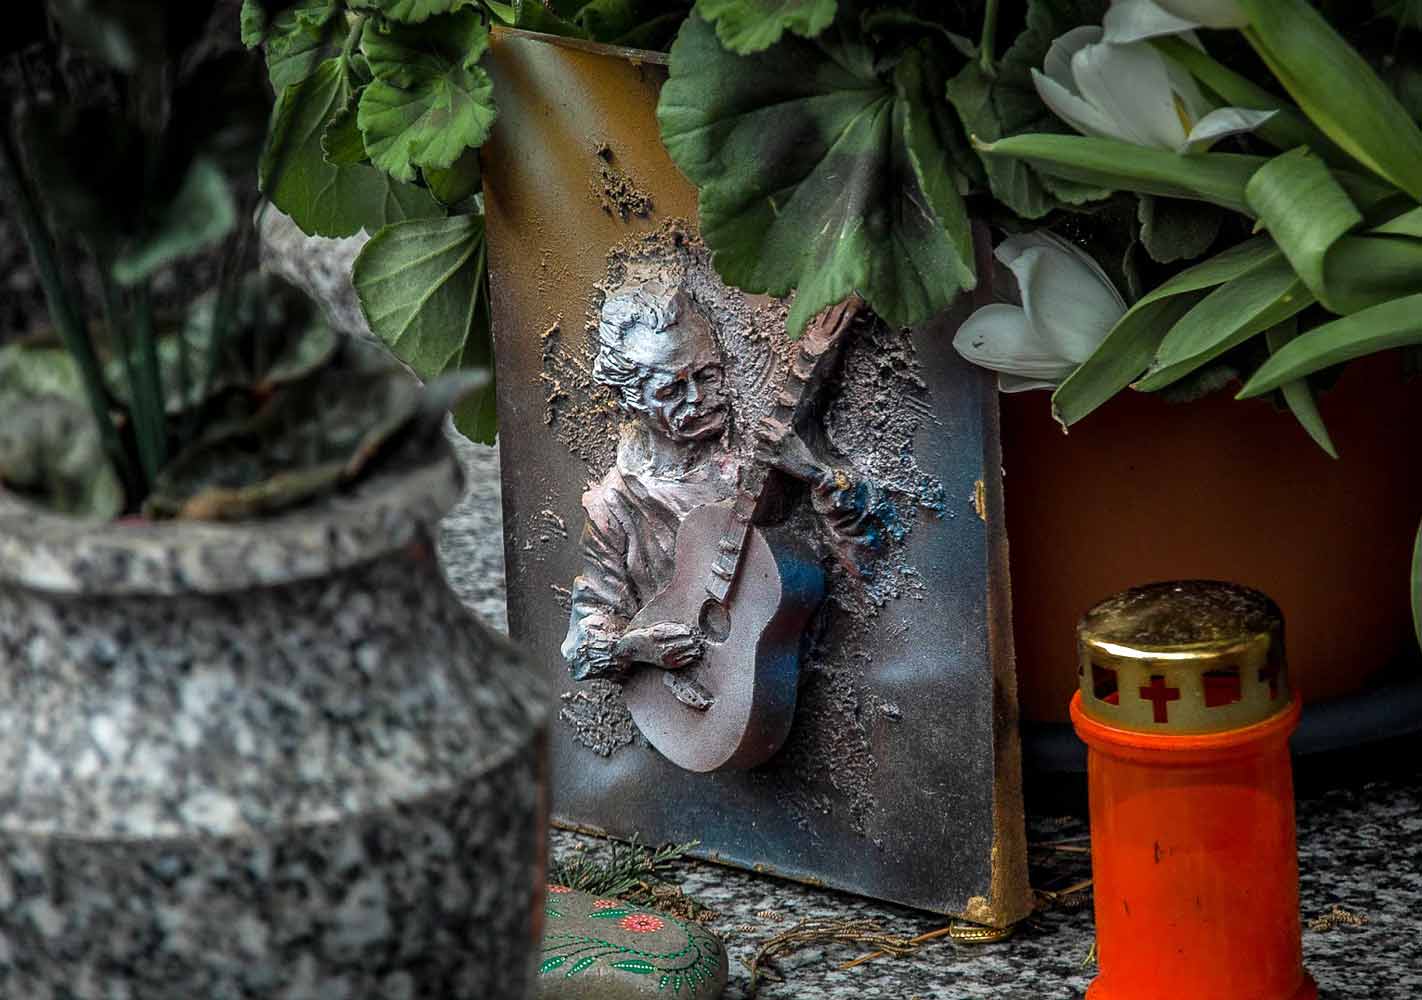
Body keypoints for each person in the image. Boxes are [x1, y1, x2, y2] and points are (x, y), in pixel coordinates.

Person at [561, 268, 881, 683]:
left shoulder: (759, 460)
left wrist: (817, 475)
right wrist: (635, 647)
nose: (697, 398)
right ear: (628, 401)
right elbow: (583, 642)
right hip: (689, 704)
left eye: (707, 375)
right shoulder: (614, 507)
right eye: (671, 390)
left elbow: (867, 566)